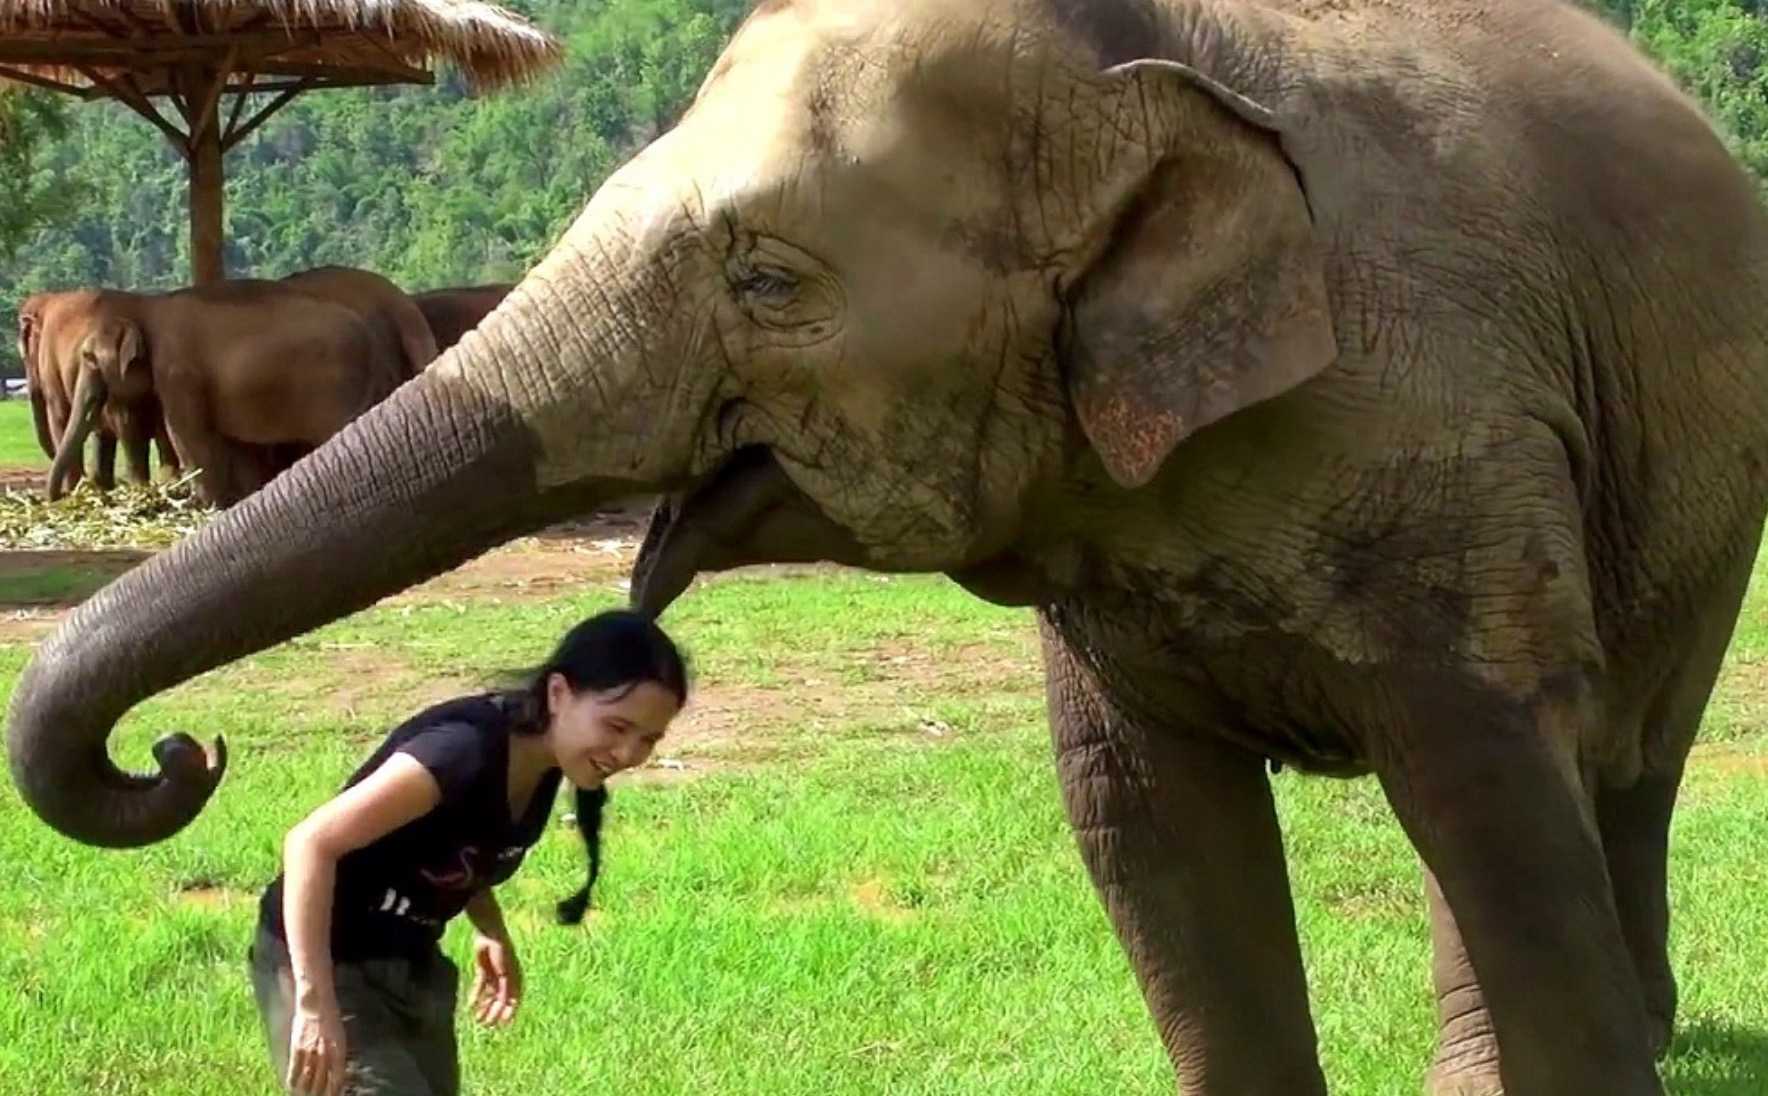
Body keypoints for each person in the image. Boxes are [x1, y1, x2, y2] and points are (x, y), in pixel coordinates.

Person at [248, 609, 689, 1096]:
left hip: (410, 963)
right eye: (616, 725)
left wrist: (491, 930)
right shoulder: (461, 750)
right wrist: (314, 1005)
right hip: (327, 963)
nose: (627, 754)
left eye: (648, 739)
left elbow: (461, 844)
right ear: (559, 693)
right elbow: (310, 843)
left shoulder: (544, 761)